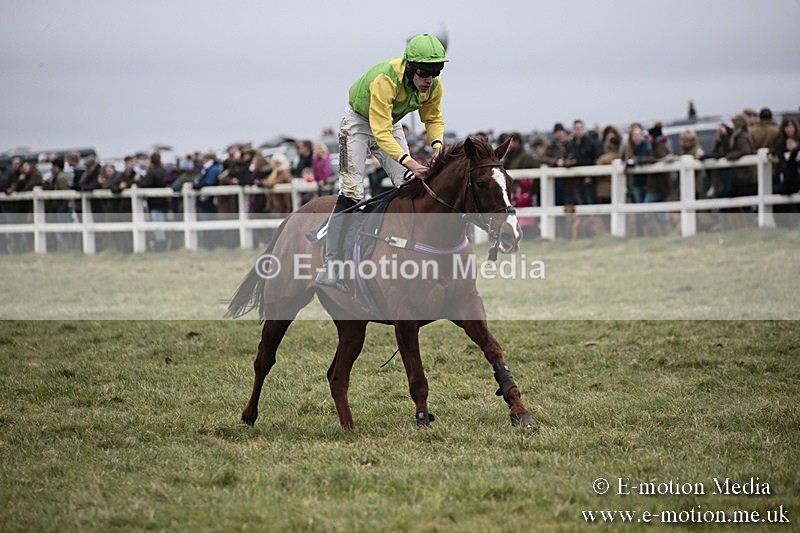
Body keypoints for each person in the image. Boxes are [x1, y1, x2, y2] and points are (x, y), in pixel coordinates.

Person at [315, 33, 448, 290]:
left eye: (436, 71)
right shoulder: (385, 80)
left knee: (408, 184)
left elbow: (433, 118)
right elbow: (380, 132)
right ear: (410, 67)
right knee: (353, 191)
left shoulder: (433, 85)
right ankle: (331, 265)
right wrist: (411, 162)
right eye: (424, 72)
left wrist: (437, 148)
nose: (429, 79)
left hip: (389, 122)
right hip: (357, 123)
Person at [565, 119, 602, 205]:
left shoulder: (591, 143)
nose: (578, 130)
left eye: (580, 128)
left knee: (591, 202)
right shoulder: (570, 145)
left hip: (590, 180)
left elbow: (596, 159)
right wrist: (568, 163)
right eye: (576, 128)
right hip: (577, 180)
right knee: (580, 204)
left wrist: (590, 176)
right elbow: (566, 158)